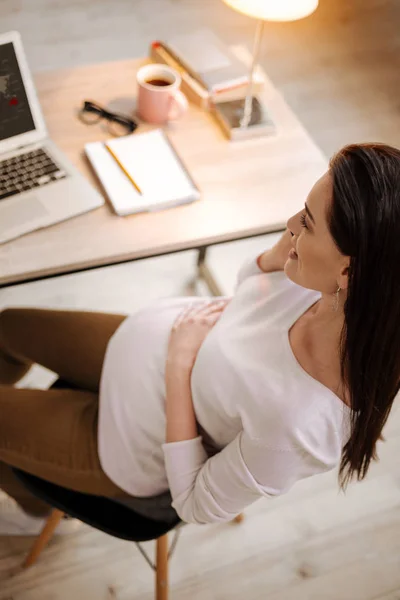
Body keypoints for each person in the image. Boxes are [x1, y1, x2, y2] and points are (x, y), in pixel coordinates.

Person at [0, 142, 399, 530]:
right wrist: (274, 259)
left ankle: (32, 507)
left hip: (126, 443)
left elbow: (194, 504)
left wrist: (178, 368)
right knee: (9, 327)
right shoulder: (324, 285)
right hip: (137, 352)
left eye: (307, 223)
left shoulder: (300, 424)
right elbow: (248, 297)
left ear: (348, 272)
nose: (291, 224)